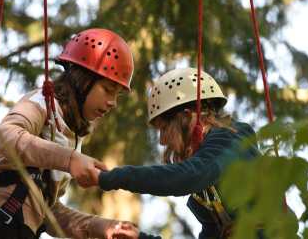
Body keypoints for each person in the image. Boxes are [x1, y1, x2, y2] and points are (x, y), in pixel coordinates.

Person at [0, 28, 139, 239]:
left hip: (16, 229)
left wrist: (100, 226)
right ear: (82, 80)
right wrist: (70, 160)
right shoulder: (43, 103)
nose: (113, 103)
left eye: (117, 95)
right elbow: (5, 136)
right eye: (107, 89)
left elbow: (47, 211)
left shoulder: (71, 136)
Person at [95, 67, 264, 238]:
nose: (162, 140)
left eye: (164, 128)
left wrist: (109, 177)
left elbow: (189, 175)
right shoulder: (206, 193)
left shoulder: (233, 139)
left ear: (187, 116)